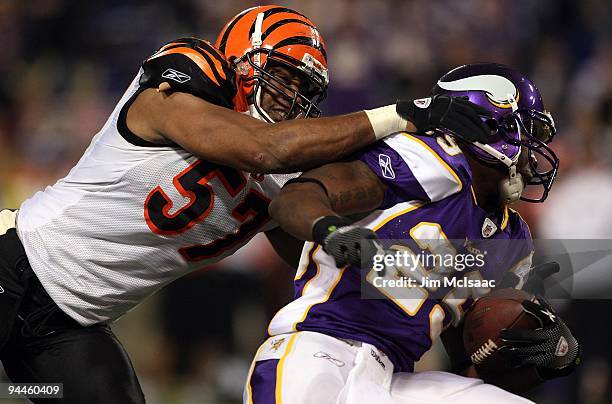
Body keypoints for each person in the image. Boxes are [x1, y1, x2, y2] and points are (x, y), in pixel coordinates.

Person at [0, 5, 491, 403]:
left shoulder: (286, 176)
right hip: (14, 264)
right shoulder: (188, 75)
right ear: (242, 58)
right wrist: (404, 114)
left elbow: (308, 258)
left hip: (72, 324)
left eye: (304, 90)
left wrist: (438, 286)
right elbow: (262, 147)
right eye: (283, 75)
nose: (290, 95)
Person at [248, 63, 580, 403]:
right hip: (321, 347)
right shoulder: (433, 160)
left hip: (395, 377)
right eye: (526, 134)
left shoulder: (511, 239)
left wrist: (543, 352)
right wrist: (333, 231)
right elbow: (293, 200)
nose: (532, 153)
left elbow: (471, 361)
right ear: (491, 125)